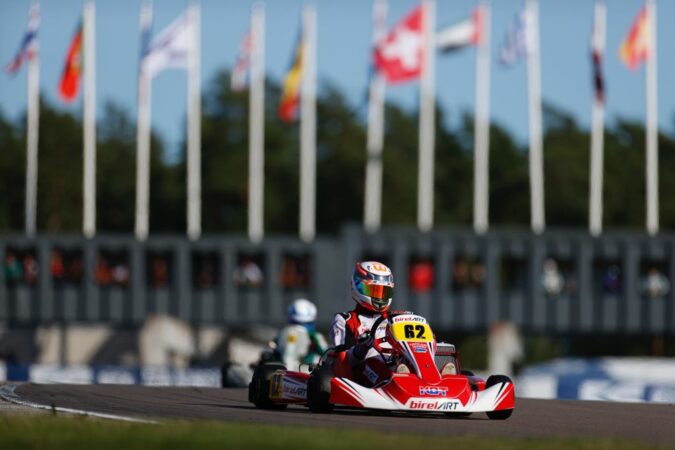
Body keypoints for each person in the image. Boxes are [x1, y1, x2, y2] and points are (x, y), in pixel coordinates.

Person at [329, 261, 396, 387]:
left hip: (394, 365)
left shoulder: (394, 320)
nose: (380, 297)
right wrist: (360, 349)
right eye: (374, 290)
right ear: (358, 286)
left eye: (384, 292)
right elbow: (342, 361)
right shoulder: (345, 319)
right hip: (362, 374)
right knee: (375, 365)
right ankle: (390, 384)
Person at [274, 298, 327, 372]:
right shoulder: (315, 336)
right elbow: (326, 353)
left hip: (283, 372)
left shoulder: (282, 332)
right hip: (304, 374)